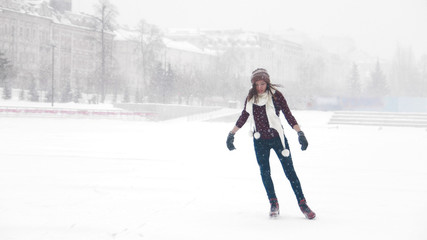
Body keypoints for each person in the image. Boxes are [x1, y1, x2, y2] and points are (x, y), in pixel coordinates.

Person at [226, 68, 316, 219]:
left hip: (277, 139)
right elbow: (244, 116)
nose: (260, 87)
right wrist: (231, 133)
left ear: (267, 83)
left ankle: (303, 204)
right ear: (253, 85)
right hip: (260, 141)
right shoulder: (250, 98)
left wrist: (300, 133)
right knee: (265, 172)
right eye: (257, 84)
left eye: (262, 84)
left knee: (290, 172)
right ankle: (273, 203)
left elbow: (288, 115)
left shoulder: (276, 96)